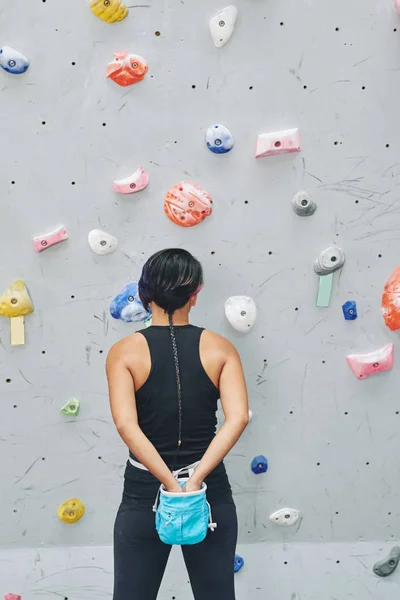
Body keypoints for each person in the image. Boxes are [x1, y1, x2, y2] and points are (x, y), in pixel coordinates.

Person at [106, 248, 249, 600]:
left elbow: (127, 426)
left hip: (144, 493)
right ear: (195, 294)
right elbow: (238, 417)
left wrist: (169, 483)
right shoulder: (221, 348)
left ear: (143, 295)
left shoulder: (123, 352)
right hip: (208, 492)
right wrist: (194, 480)